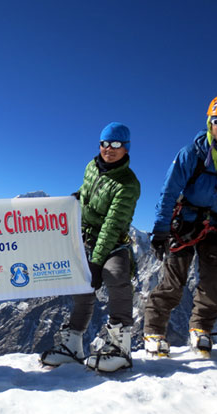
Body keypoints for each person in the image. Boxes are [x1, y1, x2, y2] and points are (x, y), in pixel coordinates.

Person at [144, 94, 217, 356]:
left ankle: (201, 329)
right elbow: (169, 191)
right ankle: (154, 331)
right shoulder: (190, 153)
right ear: (210, 122)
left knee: (215, 282)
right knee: (173, 281)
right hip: (184, 221)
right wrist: (161, 229)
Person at [40, 122, 140, 372]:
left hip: (113, 243)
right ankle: (73, 345)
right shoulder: (91, 167)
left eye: (116, 144)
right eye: (105, 143)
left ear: (126, 148)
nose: (109, 148)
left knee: (116, 276)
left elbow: (112, 225)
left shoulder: (128, 183)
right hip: (85, 236)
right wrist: (76, 198)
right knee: (81, 285)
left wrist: (96, 261)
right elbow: (86, 192)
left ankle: (120, 347)